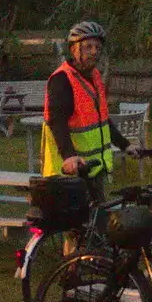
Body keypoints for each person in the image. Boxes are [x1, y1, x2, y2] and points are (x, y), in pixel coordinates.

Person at [41, 19, 129, 202]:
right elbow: (57, 122)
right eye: (88, 47)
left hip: (92, 169)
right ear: (74, 50)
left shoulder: (94, 77)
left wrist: (125, 145)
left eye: (97, 47)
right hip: (70, 170)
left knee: (97, 224)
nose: (94, 52)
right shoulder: (62, 79)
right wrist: (69, 156)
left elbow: (102, 120)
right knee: (78, 225)